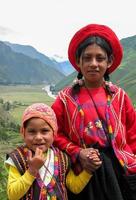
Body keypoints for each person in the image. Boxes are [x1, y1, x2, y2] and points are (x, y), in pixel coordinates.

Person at [51, 24, 136, 200]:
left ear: (109, 61)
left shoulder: (120, 97)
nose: (93, 64)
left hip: (119, 170)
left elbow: (133, 135)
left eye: (100, 58)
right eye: (87, 58)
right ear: (78, 61)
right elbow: (54, 134)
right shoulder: (65, 99)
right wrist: (78, 152)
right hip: (82, 172)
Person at [5, 103, 101, 200]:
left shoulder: (62, 159)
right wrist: (32, 170)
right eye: (32, 131)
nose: (38, 137)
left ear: (54, 133)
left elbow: (74, 187)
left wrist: (88, 170)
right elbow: (12, 195)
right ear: (23, 133)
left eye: (44, 131)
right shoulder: (18, 159)